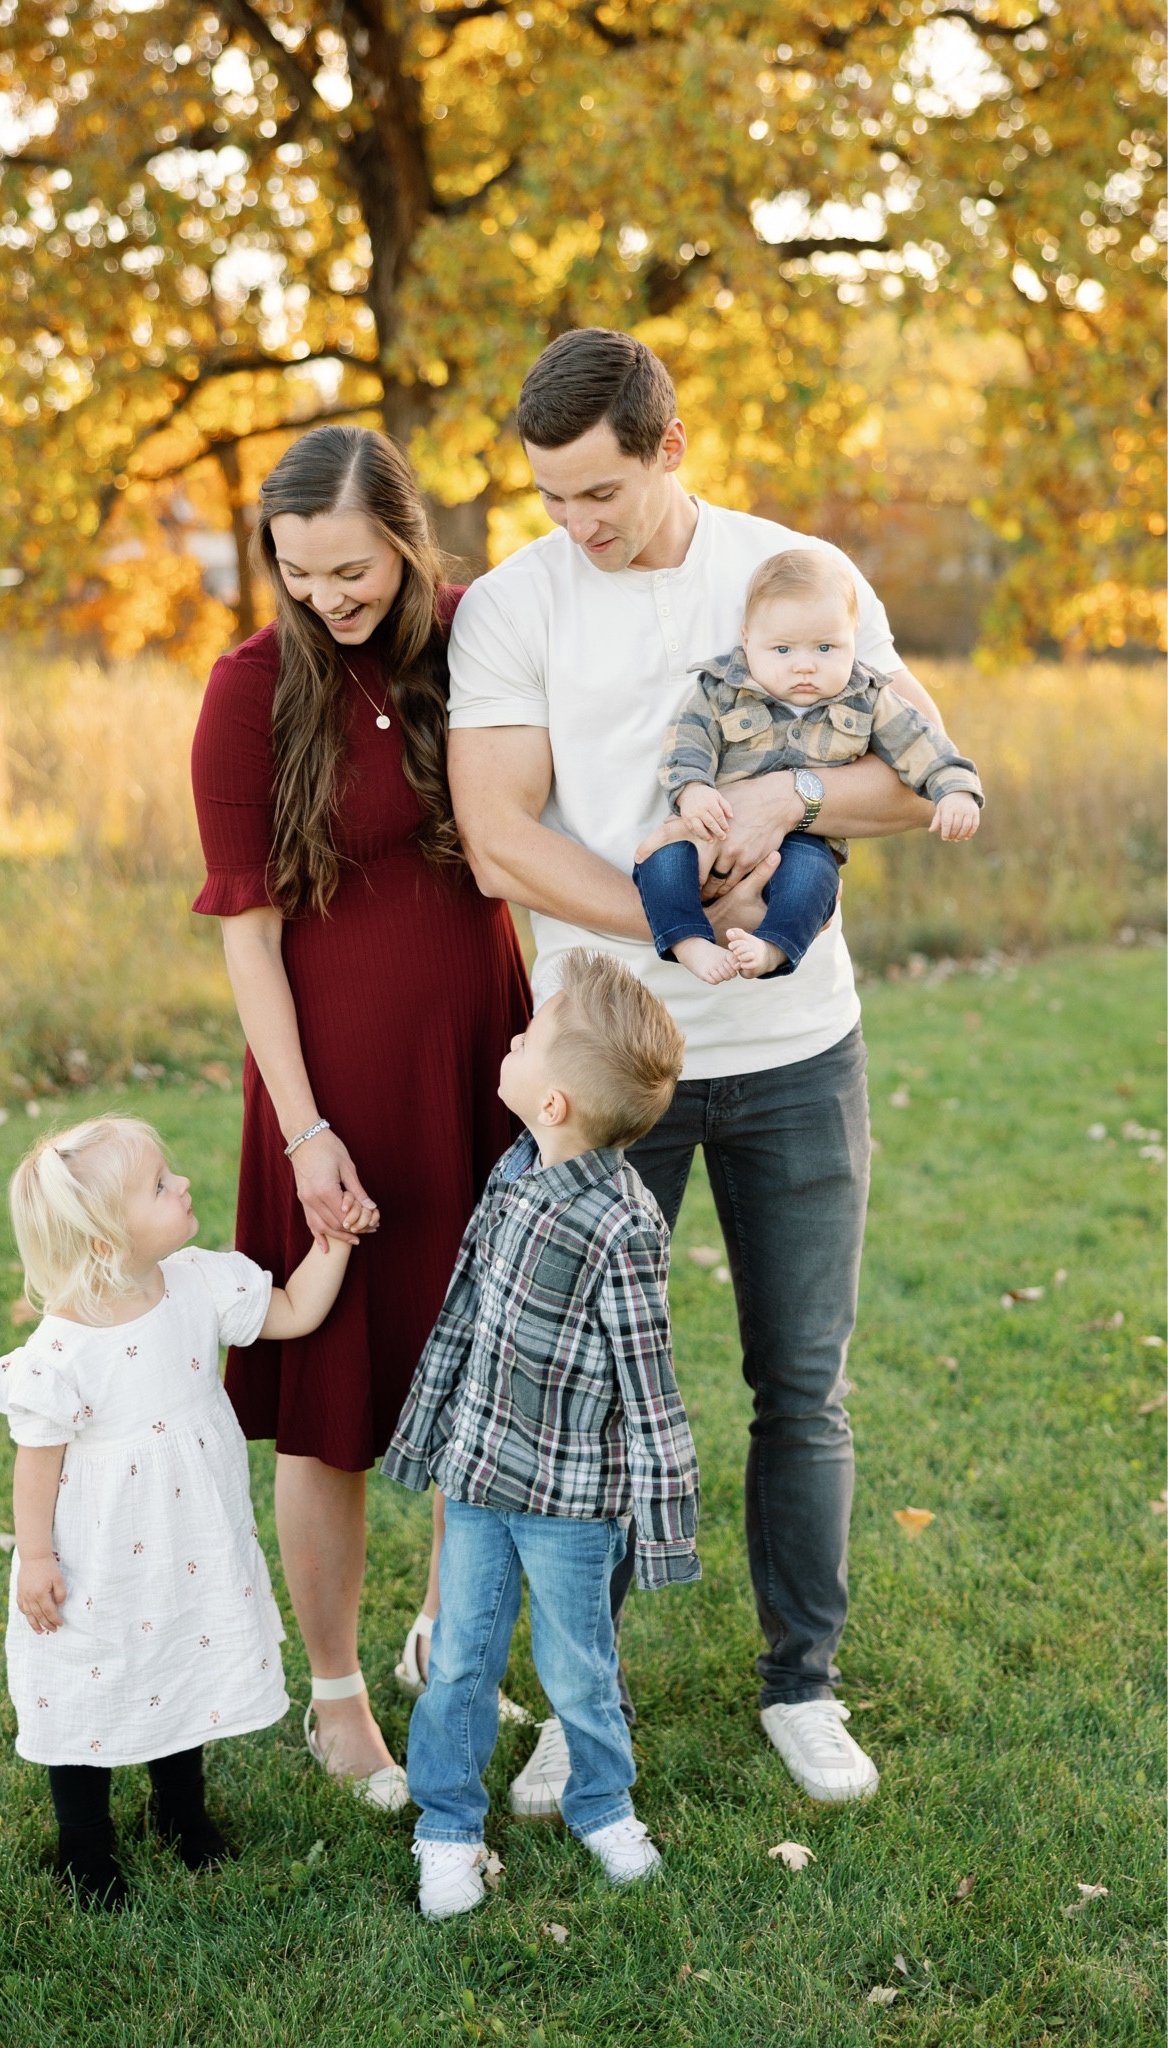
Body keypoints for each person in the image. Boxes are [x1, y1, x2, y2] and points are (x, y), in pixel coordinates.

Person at [448, 328, 959, 1809]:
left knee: (800, 1384)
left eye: (599, 492)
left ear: (669, 449)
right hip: (604, 1064)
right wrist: (676, 923)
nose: (575, 522)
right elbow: (499, 835)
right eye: (550, 495)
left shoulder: (796, 575)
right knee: (579, 1397)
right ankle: (578, 1701)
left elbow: (911, 772)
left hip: (796, 1049)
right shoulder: (513, 602)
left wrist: (785, 790)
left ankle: (803, 1684)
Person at [190, 426, 531, 1809]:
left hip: (487, 1064)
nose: (326, 596)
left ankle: (448, 1636)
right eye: (298, 570)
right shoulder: (249, 689)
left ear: (405, 538)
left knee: (480, 1374)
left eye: (352, 570)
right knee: (331, 1400)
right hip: (331, 1089)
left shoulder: (477, 635)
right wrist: (303, 1131)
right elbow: (248, 938)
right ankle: (334, 1697)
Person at [382, 952, 697, 1921]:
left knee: (579, 1670)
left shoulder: (624, 1224)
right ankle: (447, 1826)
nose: (510, 1042)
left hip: (571, 1504)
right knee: (459, 1659)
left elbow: (650, 1384)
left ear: (553, 1101)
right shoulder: (511, 1175)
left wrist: (663, 1528)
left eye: (525, 1038)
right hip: (480, 1478)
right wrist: (423, 1434)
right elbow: (462, 1313)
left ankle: (601, 1804)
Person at [0, 1116, 349, 1908]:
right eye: (157, 1185)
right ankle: (84, 1844)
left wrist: (337, 1241)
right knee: (89, 1681)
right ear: (107, 1239)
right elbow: (36, 1464)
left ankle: (181, 1812)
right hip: (98, 1554)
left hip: (188, 1538)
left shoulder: (197, 1283)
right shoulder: (61, 1350)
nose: (181, 1184)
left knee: (179, 1658)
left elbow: (293, 1312)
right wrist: (37, 1558)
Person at [635, 547, 983, 984]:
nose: (804, 665)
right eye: (782, 649)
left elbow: (922, 742)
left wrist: (955, 789)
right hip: (714, 828)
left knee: (813, 880)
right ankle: (688, 941)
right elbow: (687, 740)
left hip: (805, 840)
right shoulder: (722, 689)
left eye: (825, 647)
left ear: (853, 639)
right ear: (747, 639)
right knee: (663, 860)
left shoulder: (868, 698)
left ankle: (773, 947)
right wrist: (692, 790)